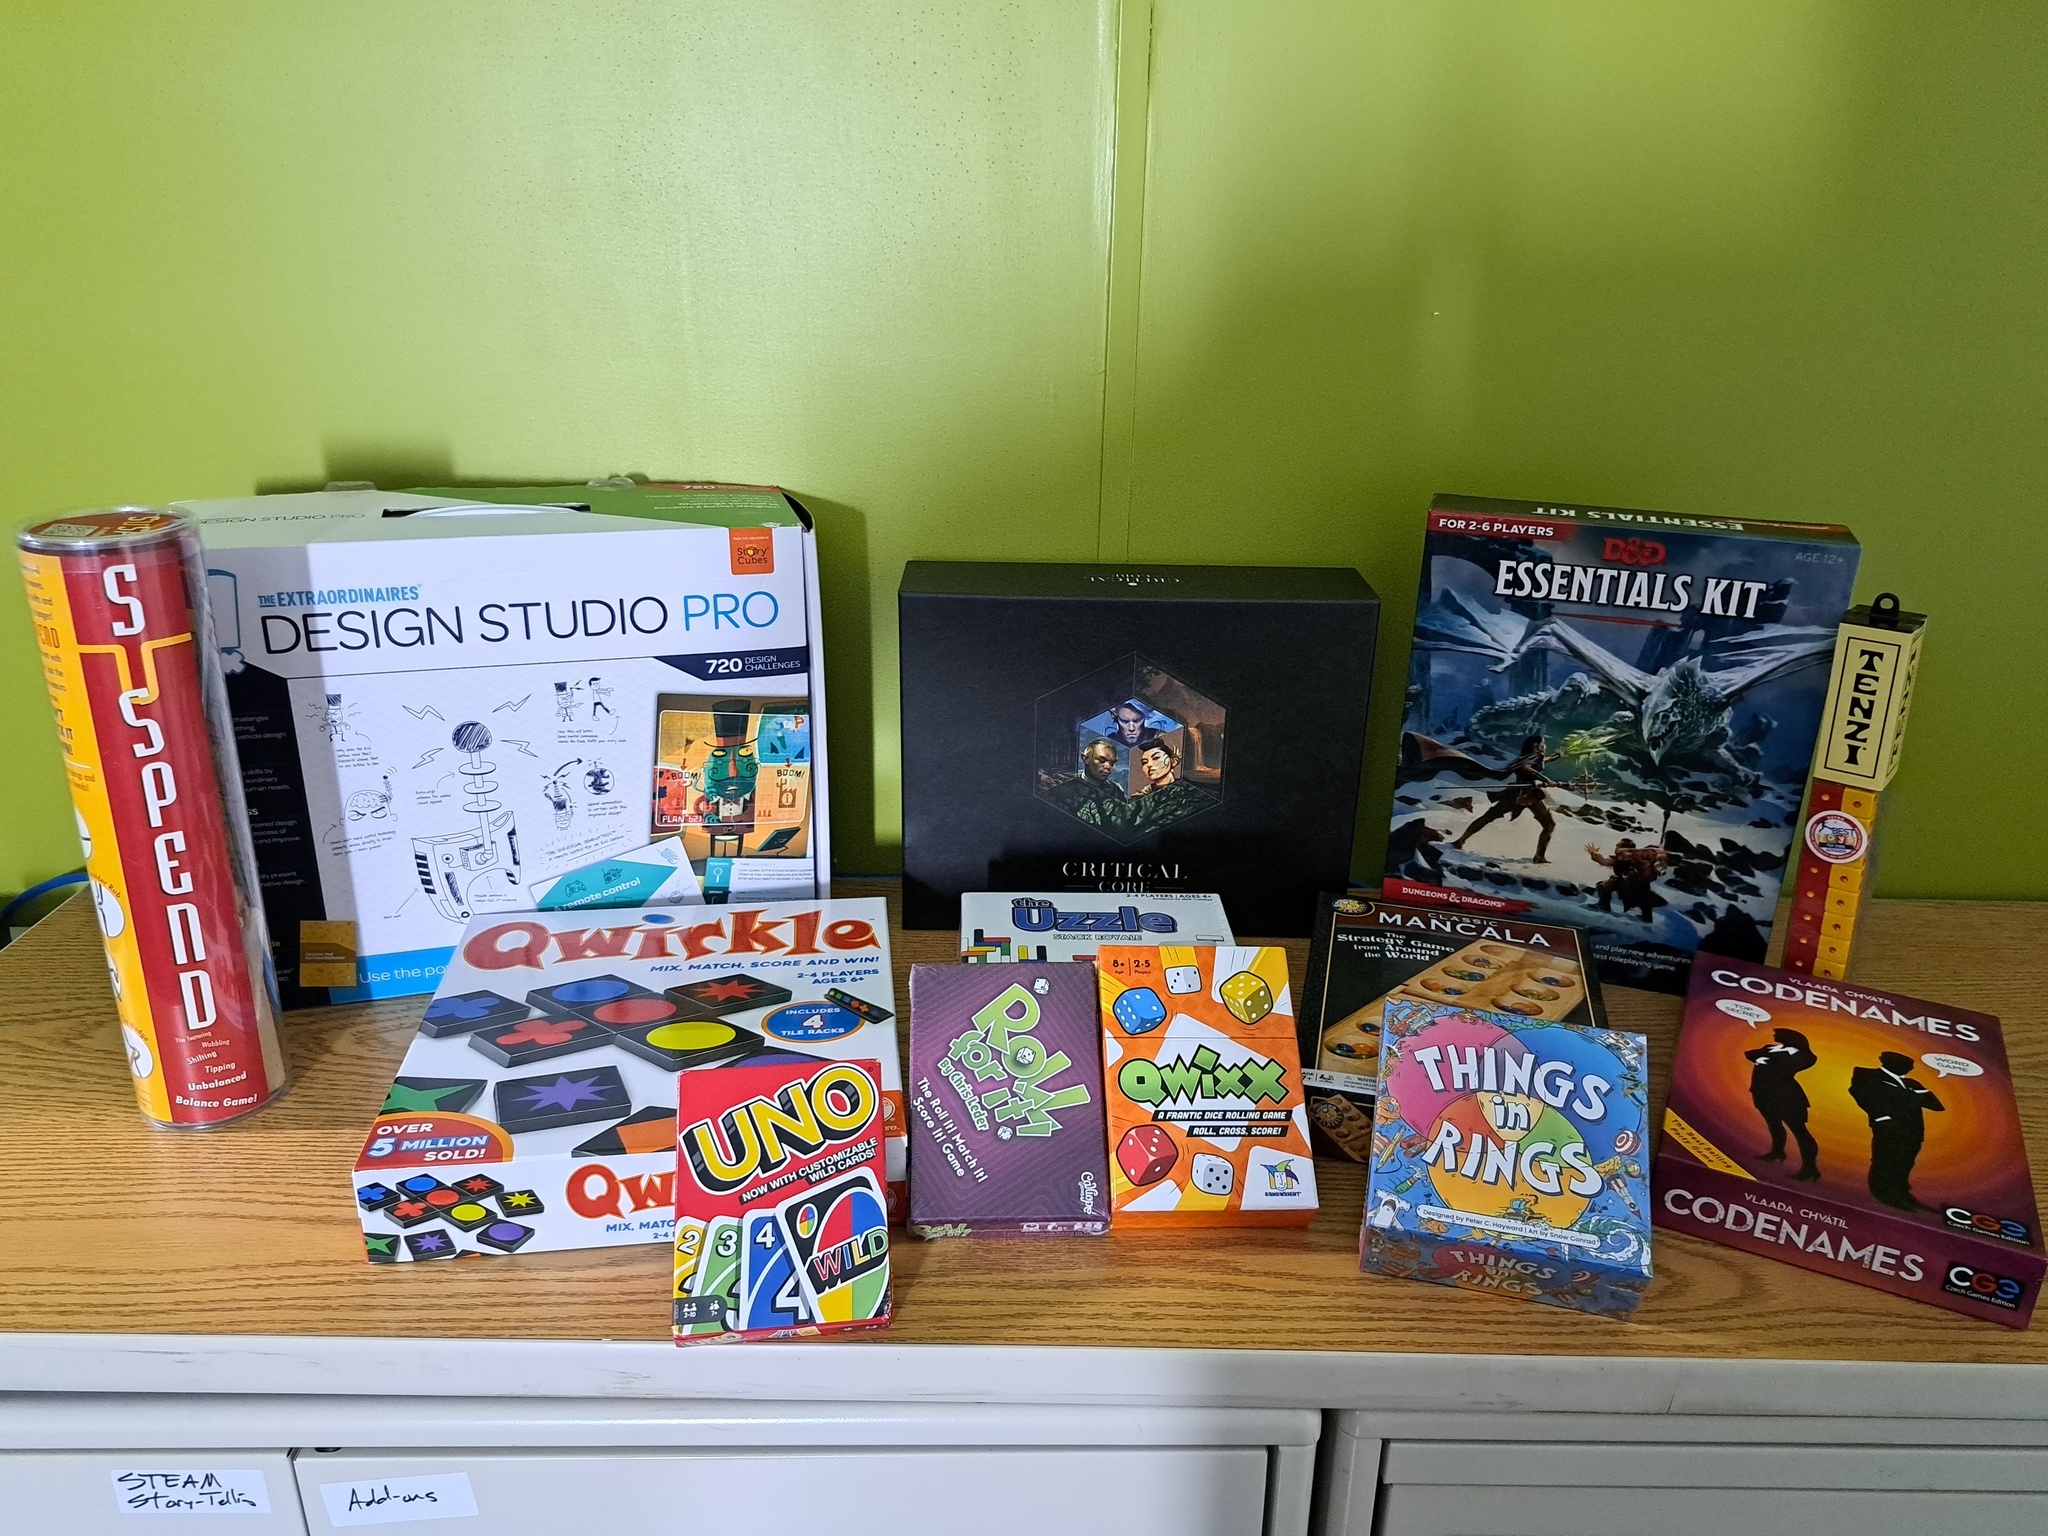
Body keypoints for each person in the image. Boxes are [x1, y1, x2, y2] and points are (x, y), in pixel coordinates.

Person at [1848, 1050, 1945, 1210]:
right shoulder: (1867, 1075)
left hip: (1913, 1130)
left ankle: (1901, 1193)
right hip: (1888, 1129)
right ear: (1888, 1063)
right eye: (1906, 1065)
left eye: (1910, 1066)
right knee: (1885, 1161)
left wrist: (1915, 1092)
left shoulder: (1911, 1084)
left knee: (1906, 1162)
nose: (1910, 1068)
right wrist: (1883, 1116)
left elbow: (1936, 1106)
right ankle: (1883, 1194)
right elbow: (1862, 1095)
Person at [1451, 735, 1561, 863]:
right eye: (1543, 743)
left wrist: (1556, 757)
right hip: (1527, 794)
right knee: (1549, 825)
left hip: (1519, 793)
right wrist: (1547, 780)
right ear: (1535, 746)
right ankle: (1539, 857)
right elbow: (1528, 768)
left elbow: (1540, 762)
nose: (1545, 746)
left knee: (1489, 816)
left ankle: (1461, 840)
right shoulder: (1535, 757)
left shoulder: (1526, 758)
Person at [1744, 1028, 1820, 1181]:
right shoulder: (1771, 1048)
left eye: (1777, 1033)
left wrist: (1764, 1059)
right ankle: (1777, 1152)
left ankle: (1810, 1169)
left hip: (1787, 1098)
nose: (1774, 1035)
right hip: (1763, 1094)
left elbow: (1791, 1065)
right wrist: (1762, 1058)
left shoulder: (1803, 1055)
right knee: (1774, 1125)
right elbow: (1750, 1054)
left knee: (1800, 1132)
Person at [1125, 739, 1213, 829]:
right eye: (1144, 762)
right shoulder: (1138, 799)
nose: (1149, 765)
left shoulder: (1194, 791)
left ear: (1173, 761)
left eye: (1156, 758)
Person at [1040, 738, 1124, 821]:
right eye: (1102, 760)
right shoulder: (1062, 791)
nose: (1108, 767)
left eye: (1113, 763)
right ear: (1086, 759)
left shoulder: (1116, 790)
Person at [1587, 838, 1669, 921]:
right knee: (1603, 886)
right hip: (1622, 883)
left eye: (1618, 846)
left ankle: (1647, 919)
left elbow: (1645, 873)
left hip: (1637, 886)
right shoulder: (1618, 859)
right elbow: (1605, 861)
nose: (1616, 848)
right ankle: (1603, 905)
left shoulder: (1639, 861)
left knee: (1643, 899)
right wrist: (1594, 854)